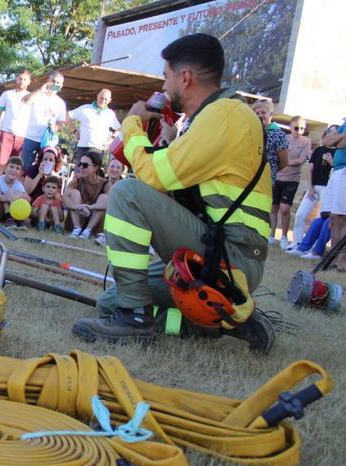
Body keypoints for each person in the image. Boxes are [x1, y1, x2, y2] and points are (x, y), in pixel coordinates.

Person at [72, 33, 273, 351]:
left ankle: (135, 320)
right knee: (110, 301)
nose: (164, 87)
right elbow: (179, 184)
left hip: (230, 255)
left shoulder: (226, 115)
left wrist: (132, 126)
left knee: (127, 192)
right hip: (222, 248)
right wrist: (166, 141)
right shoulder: (221, 116)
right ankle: (215, 324)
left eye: (166, 77)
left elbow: (152, 177)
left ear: (186, 77)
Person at [289, 125, 337, 250]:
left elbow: (338, 171)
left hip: (328, 189)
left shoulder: (339, 152)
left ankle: (314, 246)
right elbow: (310, 170)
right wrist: (310, 187)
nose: (329, 134)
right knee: (300, 214)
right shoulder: (319, 150)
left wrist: (332, 162)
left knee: (320, 218)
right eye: (328, 131)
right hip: (314, 187)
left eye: (333, 132)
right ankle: (297, 241)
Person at [251, 98, 288, 246]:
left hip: (265, 180)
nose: (260, 115)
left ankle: (259, 238)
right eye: (257, 112)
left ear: (270, 113)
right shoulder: (252, 131)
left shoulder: (278, 134)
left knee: (261, 210)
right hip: (248, 177)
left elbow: (284, 161)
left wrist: (269, 172)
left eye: (263, 112)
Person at [271, 116, 312, 249]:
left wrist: (284, 161)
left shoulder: (306, 142)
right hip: (277, 177)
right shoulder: (284, 138)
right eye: (296, 128)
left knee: (285, 208)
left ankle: (284, 236)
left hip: (292, 179)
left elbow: (300, 161)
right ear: (290, 127)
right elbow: (276, 155)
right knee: (273, 207)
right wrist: (283, 161)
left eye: (302, 128)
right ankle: (271, 235)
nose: (298, 131)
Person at [21, 70, 67, 171]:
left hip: (48, 141)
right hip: (31, 137)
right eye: (53, 81)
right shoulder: (38, 95)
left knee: (46, 170)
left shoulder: (60, 103)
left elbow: (61, 124)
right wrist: (41, 90)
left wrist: (54, 127)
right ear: (48, 81)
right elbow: (25, 100)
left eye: (58, 83)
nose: (55, 84)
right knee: (25, 169)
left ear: (61, 85)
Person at [63, 151, 109, 240]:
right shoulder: (76, 181)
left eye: (85, 165)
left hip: (95, 222)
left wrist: (91, 207)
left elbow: (111, 202)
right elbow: (64, 198)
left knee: (104, 197)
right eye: (79, 164)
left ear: (95, 167)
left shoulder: (105, 184)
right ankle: (77, 228)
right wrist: (78, 207)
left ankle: (87, 230)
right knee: (74, 193)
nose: (81, 167)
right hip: (78, 218)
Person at [68, 88, 120, 164]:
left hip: (99, 149)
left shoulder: (110, 114)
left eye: (106, 99)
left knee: (95, 174)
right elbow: (67, 116)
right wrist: (74, 131)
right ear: (97, 96)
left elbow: (120, 128)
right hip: (83, 147)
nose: (103, 101)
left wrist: (111, 138)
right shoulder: (85, 108)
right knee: (79, 173)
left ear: (109, 100)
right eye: (101, 98)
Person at [321, 119, 346, 271]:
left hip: (344, 172)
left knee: (343, 217)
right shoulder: (344, 124)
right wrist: (341, 137)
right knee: (334, 217)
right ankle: (335, 257)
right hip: (336, 171)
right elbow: (326, 141)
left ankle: (342, 260)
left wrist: (338, 139)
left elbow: (340, 144)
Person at [0, 70, 31, 166]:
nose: (22, 81)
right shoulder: (7, 94)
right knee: (1, 163)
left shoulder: (32, 97)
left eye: (24, 79)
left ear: (29, 82)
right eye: (20, 79)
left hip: (23, 135)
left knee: (17, 166)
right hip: (7, 132)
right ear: (16, 79)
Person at [0, 156, 30, 227]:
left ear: (21, 172)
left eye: (17, 168)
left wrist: (16, 196)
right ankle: (9, 218)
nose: (14, 170)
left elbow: (28, 198)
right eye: (11, 167)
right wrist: (8, 198)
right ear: (5, 168)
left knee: (21, 199)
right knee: (5, 197)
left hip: (8, 211)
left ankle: (18, 220)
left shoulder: (18, 184)